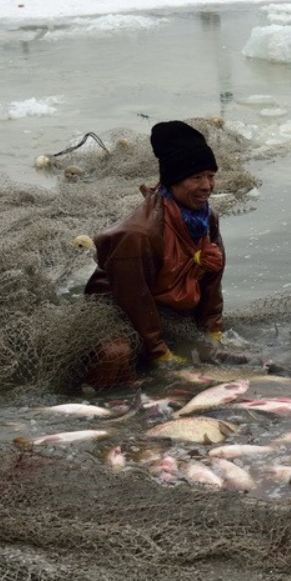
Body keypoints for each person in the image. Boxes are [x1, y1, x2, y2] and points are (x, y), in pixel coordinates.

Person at [81, 121, 228, 390]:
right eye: (196, 177)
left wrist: (212, 329)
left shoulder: (207, 217)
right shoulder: (140, 233)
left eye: (211, 176)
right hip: (118, 310)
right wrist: (159, 351)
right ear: (173, 181)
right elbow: (134, 297)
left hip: (165, 307)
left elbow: (212, 280)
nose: (207, 186)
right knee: (115, 355)